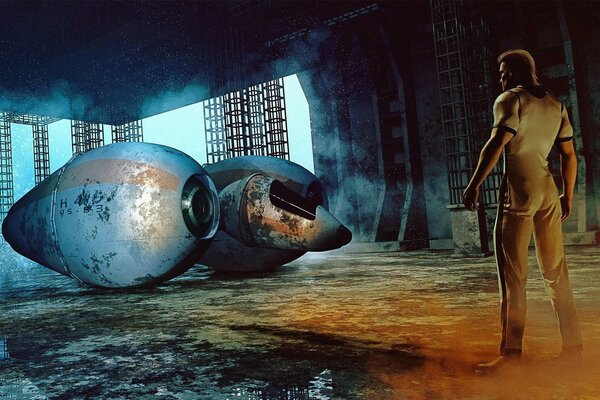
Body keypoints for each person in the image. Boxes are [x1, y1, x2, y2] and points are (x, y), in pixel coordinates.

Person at [462, 49, 583, 370]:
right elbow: (569, 155)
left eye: (504, 72)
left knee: (513, 276)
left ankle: (511, 355)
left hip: (518, 193)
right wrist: (567, 195)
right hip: (548, 192)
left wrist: (474, 184)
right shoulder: (556, 105)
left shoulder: (509, 100)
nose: (501, 78)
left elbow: (496, 143)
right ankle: (573, 347)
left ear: (516, 72)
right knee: (556, 273)